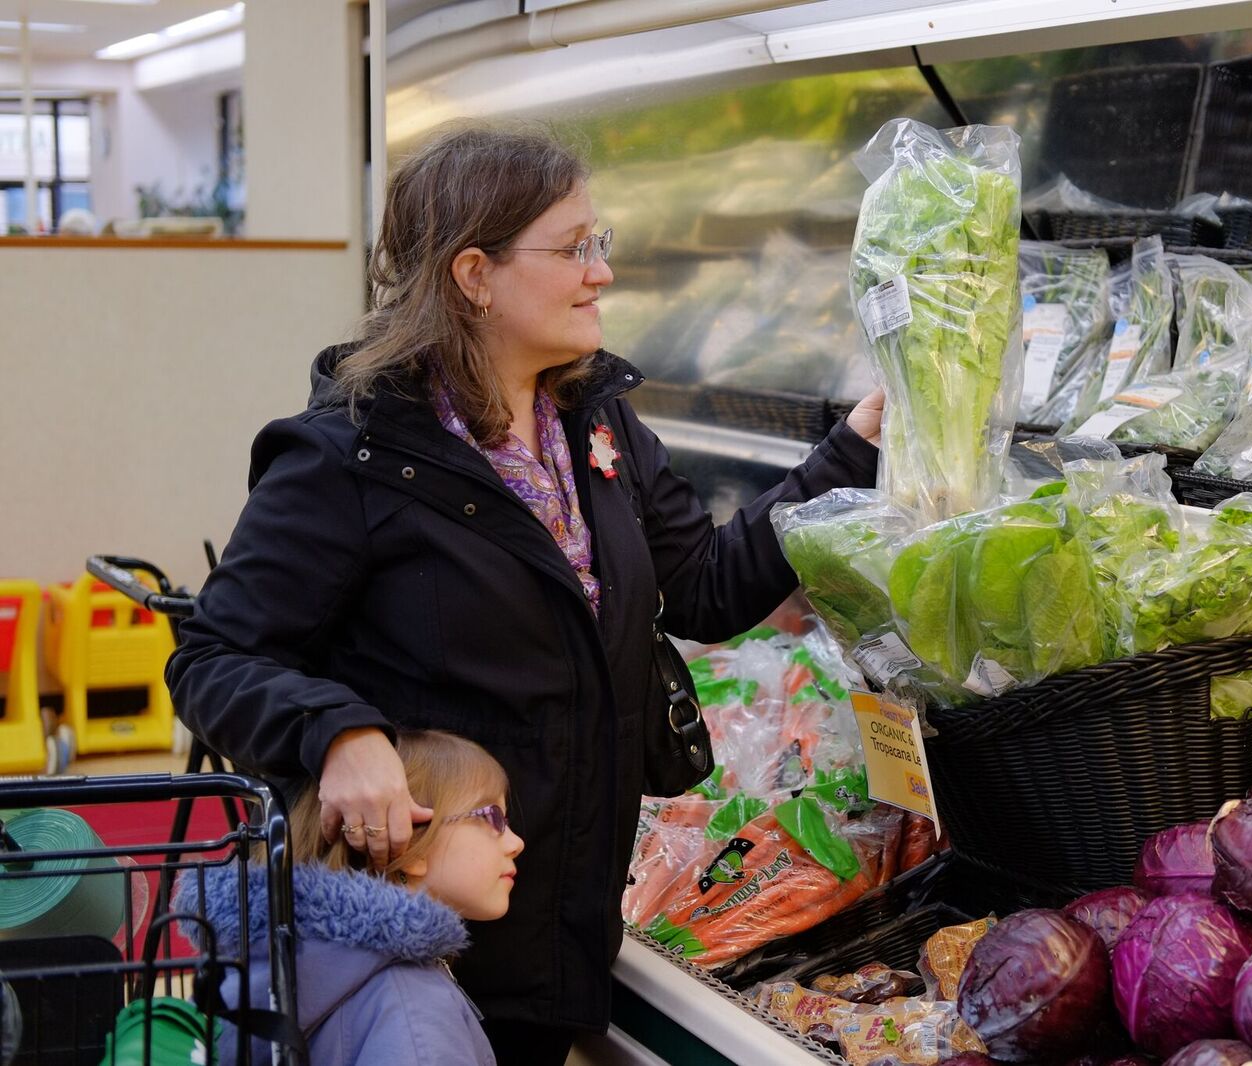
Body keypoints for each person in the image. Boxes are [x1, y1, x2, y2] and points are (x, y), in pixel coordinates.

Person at [166, 122, 883, 1063]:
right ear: (475, 274)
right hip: (424, 959)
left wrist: (853, 450)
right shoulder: (352, 456)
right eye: (574, 247)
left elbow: (706, 588)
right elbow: (214, 657)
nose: (602, 273)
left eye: (602, 243)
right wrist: (335, 731)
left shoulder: (595, 423)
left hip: (560, 931)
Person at [174, 729, 522, 1066]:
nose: (515, 843)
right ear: (409, 839)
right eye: (491, 817)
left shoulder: (271, 964)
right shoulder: (415, 1009)